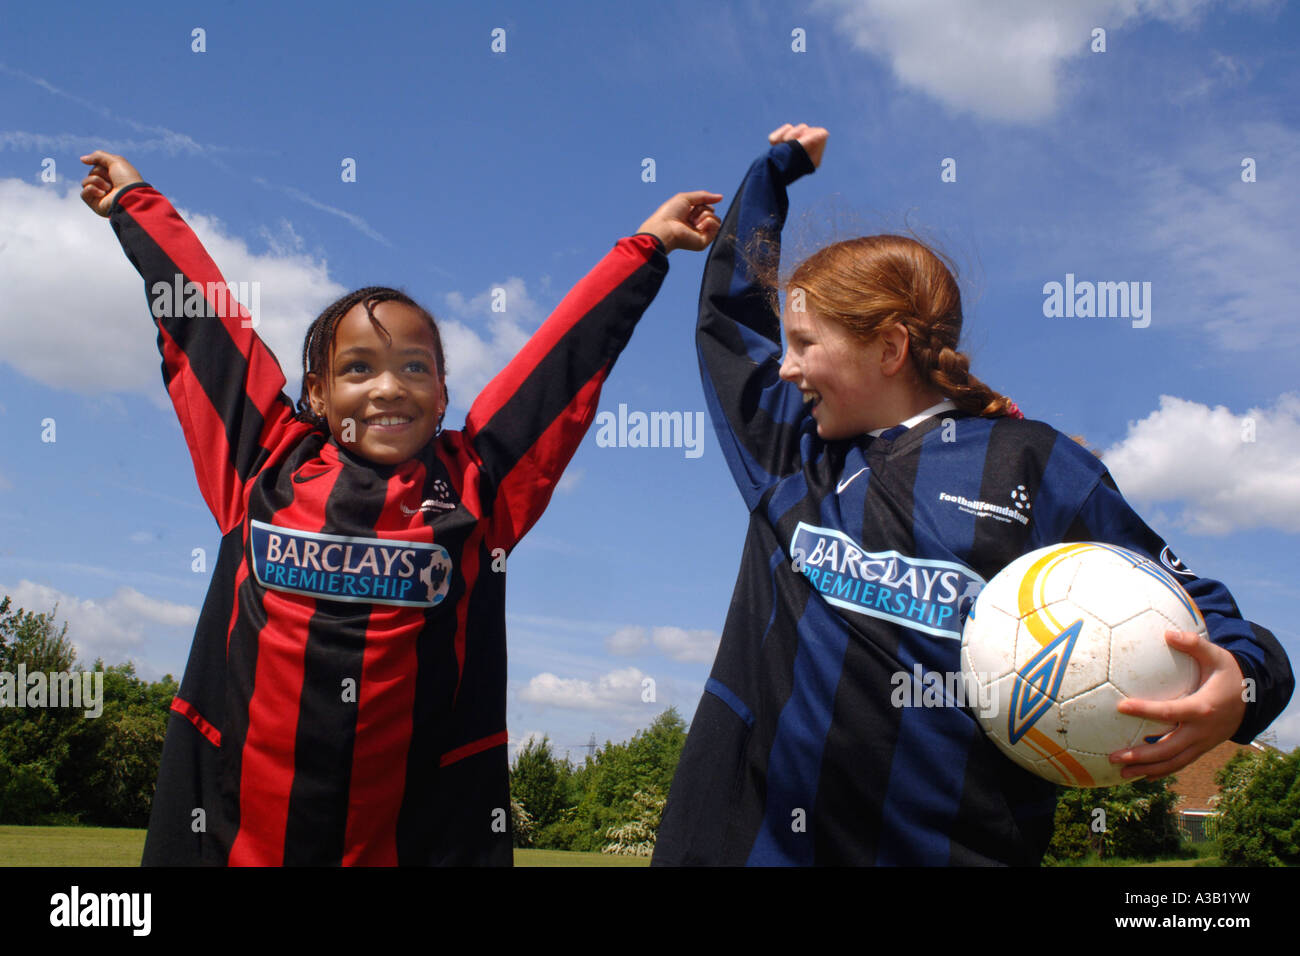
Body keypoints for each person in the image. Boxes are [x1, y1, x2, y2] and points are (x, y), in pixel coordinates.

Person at [652, 124, 1293, 866]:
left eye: (805, 344)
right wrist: (773, 173)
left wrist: (1241, 687)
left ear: (889, 348)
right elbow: (731, 319)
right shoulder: (788, 453)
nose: (786, 369)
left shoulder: (1033, 464)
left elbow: (1199, 607)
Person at [79, 149, 721, 865]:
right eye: (358, 368)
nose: (390, 387)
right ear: (316, 394)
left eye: (416, 367)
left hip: (417, 842)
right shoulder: (263, 459)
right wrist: (137, 207)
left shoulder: (479, 485)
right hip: (238, 840)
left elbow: (563, 361)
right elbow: (203, 322)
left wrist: (647, 246)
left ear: (443, 395)